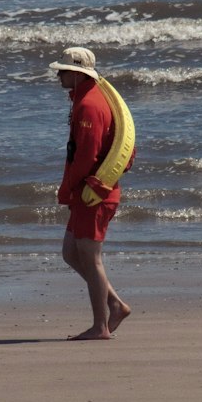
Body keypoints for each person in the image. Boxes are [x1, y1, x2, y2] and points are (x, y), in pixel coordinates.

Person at [49, 45, 132, 341]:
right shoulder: (86, 99)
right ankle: (115, 304)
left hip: (93, 195)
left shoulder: (90, 106)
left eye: (63, 71)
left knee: (90, 257)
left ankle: (101, 326)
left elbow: (85, 156)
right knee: (71, 252)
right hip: (89, 193)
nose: (58, 75)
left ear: (77, 74)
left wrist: (68, 187)